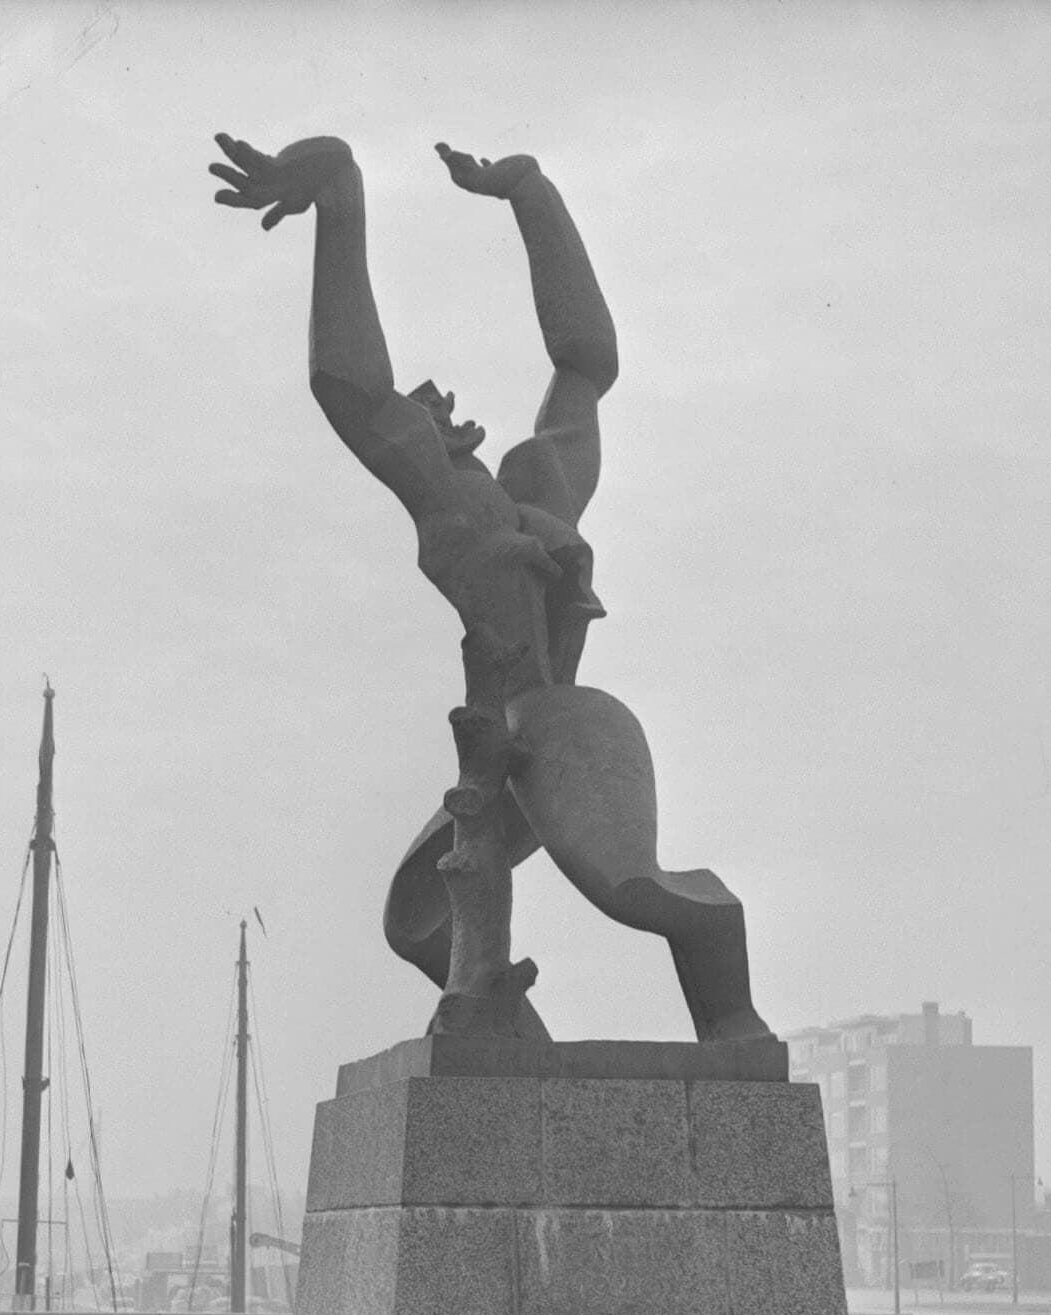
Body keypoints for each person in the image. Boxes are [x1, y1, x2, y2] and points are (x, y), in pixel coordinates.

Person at [209, 133, 773, 1044]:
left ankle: (732, 1014)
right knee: (415, 918)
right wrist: (512, 194)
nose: (424, 409)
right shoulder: (469, 503)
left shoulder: (517, 493)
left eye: (429, 407)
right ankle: (504, 1026)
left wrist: (523, 196)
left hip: (560, 724)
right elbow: (364, 384)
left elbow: (578, 369)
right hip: (500, 741)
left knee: (627, 883)